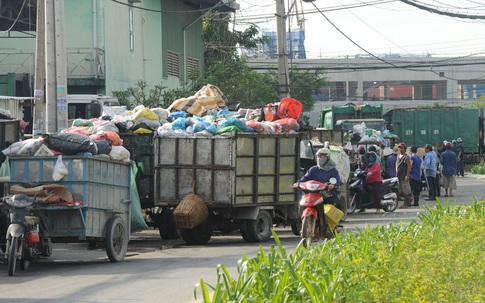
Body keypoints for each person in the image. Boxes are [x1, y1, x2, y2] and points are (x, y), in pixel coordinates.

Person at [295, 148, 342, 233]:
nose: (319, 158)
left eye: (321, 156)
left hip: (326, 193)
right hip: (312, 193)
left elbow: (337, 181)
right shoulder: (314, 169)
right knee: (301, 203)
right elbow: (305, 178)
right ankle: (301, 222)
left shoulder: (333, 170)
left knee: (335, 204)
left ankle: (334, 225)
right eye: (318, 156)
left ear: (327, 157)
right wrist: (298, 183)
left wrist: (333, 185)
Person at [396, 142, 413, 208]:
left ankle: (406, 203)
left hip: (404, 175)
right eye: (399, 148)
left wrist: (407, 175)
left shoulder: (406, 156)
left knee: (405, 190)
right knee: (400, 191)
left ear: (404, 148)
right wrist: (396, 170)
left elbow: (409, 166)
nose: (400, 149)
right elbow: (396, 163)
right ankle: (408, 200)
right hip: (399, 175)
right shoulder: (398, 156)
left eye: (401, 148)